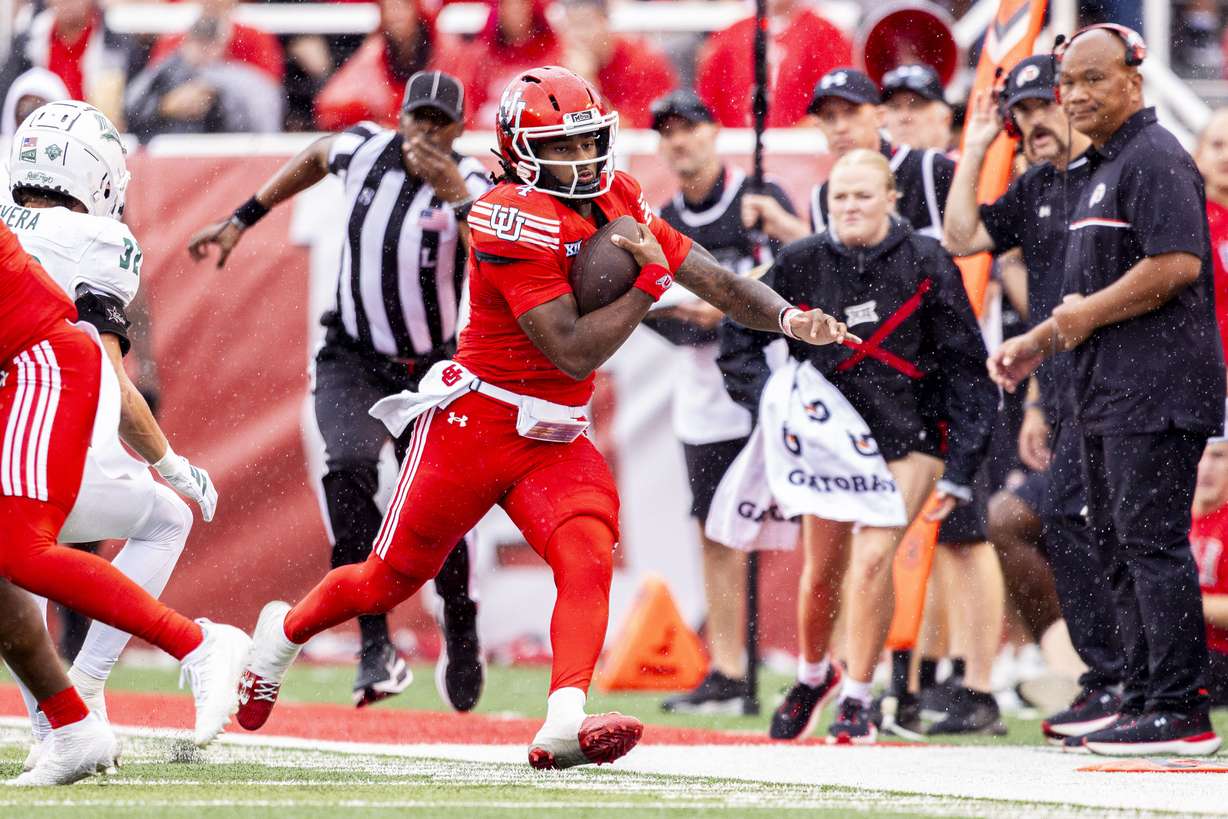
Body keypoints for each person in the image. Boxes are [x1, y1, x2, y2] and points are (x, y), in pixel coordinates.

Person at [231, 65, 852, 770]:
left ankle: (563, 718)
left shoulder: (613, 194)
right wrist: (649, 283)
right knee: (387, 576)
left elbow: (706, 271)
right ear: (522, 151)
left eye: (589, 140)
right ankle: (278, 637)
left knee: (586, 551)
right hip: (477, 421)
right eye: (563, 147)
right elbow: (571, 345)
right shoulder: (504, 212)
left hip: (553, 431)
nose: (583, 158)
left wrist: (789, 318)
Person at [188, 71, 487, 712]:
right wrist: (245, 216)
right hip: (351, 355)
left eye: (440, 124)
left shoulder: (477, 182)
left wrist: (455, 192)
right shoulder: (364, 149)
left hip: (431, 369)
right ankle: (375, 640)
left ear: (459, 129)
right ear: (400, 118)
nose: (425, 135)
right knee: (348, 467)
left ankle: (460, 618)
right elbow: (315, 156)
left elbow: (490, 266)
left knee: (441, 508)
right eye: (417, 120)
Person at [990, 26, 1225, 756]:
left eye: (1094, 79)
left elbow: (1178, 263)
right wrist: (1034, 344)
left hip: (1157, 389)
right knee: (1114, 543)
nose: (1077, 96)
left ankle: (1180, 706)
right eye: (1069, 83)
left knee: (1150, 544)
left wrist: (1085, 313)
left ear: (1135, 80)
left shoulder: (1154, 158)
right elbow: (1079, 297)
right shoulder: (1101, 166)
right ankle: (1142, 693)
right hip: (1108, 392)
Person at [719, 149, 995, 743]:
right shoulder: (800, 260)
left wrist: (961, 469)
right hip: (828, 447)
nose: (850, 207)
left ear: (891, 199)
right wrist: (773, 406)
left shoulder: (927, 260)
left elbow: (969, 370)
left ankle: (859, 695)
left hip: (911, 442)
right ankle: (813, 675)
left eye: (863, 196)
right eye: (839, 197)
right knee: (823, 570)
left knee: (873, 560)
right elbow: (737, 327)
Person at [4, 100, 218, 769]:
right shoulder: (98, 241)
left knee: (17, 565)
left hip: (32, 417)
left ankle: (68, 715)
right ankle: (84, 696)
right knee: (164, 517)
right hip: (56, 430)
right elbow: (109, 377)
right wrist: (171, 462)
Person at [946, 54, 1127, 745]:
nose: (1032, 123)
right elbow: (963, 237)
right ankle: (1102, 674)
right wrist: (974, 147)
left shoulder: (1116, 176)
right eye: (1019, 113)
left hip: (1118, 389)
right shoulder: (1039, 186)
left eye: (1041, 105)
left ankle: (1123, 680)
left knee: (1095, 530)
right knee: (1048, 521)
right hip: (1064, 398)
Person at [645, 90, 796, 714]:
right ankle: (730, 666)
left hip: (769, 382)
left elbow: (800, 275)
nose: (682, 141)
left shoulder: (760, 200)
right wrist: (713, 312)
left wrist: (733, 302)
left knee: (804, 521)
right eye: (669, 132)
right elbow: (653, 308)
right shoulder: (662, 219)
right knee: (712, 526)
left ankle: (828, 661)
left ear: (714, 132)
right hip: (704, 391)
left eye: (692, 127)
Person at [742, 68, 954, 244]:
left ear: (880, 117)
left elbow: (970, 252)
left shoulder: (930, 167)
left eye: (851, 112)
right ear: (818, 127)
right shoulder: (822, 196)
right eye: (829, 117)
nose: (840, 127)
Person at [124, 6, 284, 140]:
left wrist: (217, 99)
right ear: (186, 41)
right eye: (198, 42)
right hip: (168, 149)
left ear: (222, 45)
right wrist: (164, 106)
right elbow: (129, 110)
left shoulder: (240, 78)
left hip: (223, 153)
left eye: (211, 44)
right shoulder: (167, 67)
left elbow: (264, 119)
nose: (204, 51)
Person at [695, 0, 851, 129]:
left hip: (805, 151)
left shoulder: (825, 34)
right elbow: (708, 106)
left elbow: (839, 98)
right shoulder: (729, 36)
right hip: (740, 150)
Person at [314, 0, 466, 131]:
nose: (396, 16)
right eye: (389, 7)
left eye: (402, 6)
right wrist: (373, 120)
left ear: (416, 8)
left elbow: (465, 107)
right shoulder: (374, 52)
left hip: (444, 138)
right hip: (395, 144)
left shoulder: (447, 50)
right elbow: (329, 105)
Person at [6, 0, 129, 127]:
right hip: (41, 136)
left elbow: (133, 116)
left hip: (94, 139)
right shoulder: (25, 46)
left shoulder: (120, 46)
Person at [557, 0, 676, 129]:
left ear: (606, 22)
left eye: (585, 25)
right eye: (569, 26)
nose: (578, 35)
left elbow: (636, 130)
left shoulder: (643, 62)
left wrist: (587, 84)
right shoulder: (563, 63)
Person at [455, 0, 562, 129]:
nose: (514, 14)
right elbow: (468, 101)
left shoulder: (551, 54)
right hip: (486, 135)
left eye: (520, 7)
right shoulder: (481, 56)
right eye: (509, 7)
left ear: (531, 10)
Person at [1190, 438, 1228, 706]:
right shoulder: (1172, 520)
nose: (1204, 467)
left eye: (1218, 457)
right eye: (1199, 455)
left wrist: (1176, 601)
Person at [1195, 107, 1228, 357]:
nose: (1226, 156)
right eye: (1217, 145)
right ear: (1197, 155)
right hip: (1206, 374)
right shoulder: (1188, 220)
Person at [881, 63, 953, 153]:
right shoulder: (872, 164)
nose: (904, 117)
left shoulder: (965, 163)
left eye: (915, 106)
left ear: (945, 119)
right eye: (895, 107)